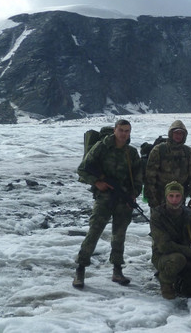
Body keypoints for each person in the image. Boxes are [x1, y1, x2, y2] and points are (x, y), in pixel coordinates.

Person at [73, 119, 144, 289]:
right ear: (115, 130)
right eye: (121, 130)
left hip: (123, 198)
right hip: (104, 197)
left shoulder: (131, 153)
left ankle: (117, 270)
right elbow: (82, 169)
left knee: (119, 235)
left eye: (127, 131)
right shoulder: (101, 147)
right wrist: (97, 182)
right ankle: (80, 269)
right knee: (94, 232)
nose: (124, 134)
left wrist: (133, 195)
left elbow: (138, 177)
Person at [150, 181, 191, 300]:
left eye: (177, 196)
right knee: (177, 259)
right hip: (163, 257)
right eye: (171, 196)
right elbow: (164, 246)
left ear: (182, 197)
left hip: (186, 258)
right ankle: (165, 281)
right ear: (166, 197)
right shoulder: (158, 215)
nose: (174, 200)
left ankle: (180, 284)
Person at [145, 120, 191, 209]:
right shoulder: (159, 150)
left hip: (179, 196)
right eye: (176, 133)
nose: (178, 136)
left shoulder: (188, 152)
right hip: (159, 195)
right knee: (158, 221)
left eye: (181, 133)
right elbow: (150, 175)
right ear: (171, 134)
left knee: (178, 221)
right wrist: (151, 196)